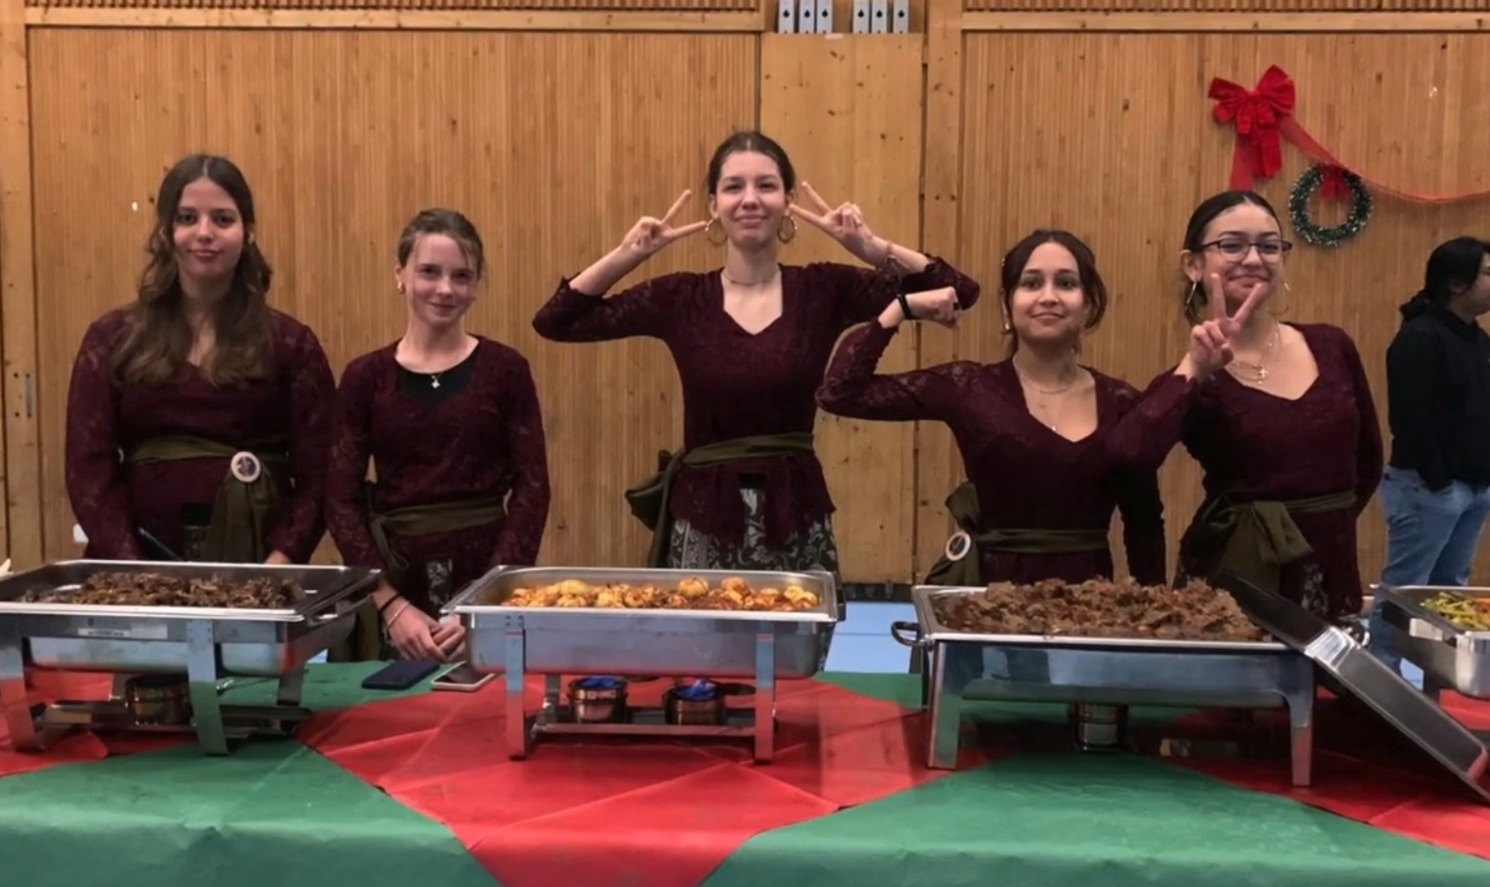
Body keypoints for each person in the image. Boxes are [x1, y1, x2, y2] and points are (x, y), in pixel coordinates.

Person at [532, 130, 979, 574]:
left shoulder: (822, 289)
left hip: (795, 512)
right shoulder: (681, 297)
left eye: (766, 185)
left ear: (787, 201)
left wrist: (870, 247)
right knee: (700, 623)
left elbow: (959, 291)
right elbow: (555, 321)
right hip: (703, 514)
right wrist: (627, 254)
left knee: (802, 624)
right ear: (714, 205)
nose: (750, 199)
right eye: (733, 187)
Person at [817, 229, 1166, 588]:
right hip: (989, 602)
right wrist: (900, 309)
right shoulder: (969, 387)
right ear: (1006, 305)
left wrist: (1151, 611)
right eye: (1031, 283)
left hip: (1088, 606)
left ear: (1088, 304)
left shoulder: (1122, 403)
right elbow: (840, 393)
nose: (1048, 297)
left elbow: (1144, 524)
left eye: (1066, 283)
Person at [1108, 190, 1383, 623]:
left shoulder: (1331, 346)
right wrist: (1195, 369)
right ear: (1193, 264)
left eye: (1269, 246)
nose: (1254, 259)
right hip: (1233, 580)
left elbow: (1368, 460)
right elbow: (1127, 457)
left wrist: (1323, 526)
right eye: (1232, 245)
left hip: (1331, 570)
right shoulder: (1191, 379)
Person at [65, 153, 334, 565]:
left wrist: (280, 564)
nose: (204, 233)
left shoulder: (292, 344)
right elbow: (88, 470)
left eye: (223, 219)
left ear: (248, 232)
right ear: (166, 231)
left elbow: (322, 474)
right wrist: (133, 569)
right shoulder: (112, 338)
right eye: (187, 218)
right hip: (134, 571)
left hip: (262, 571)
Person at [326, 209, 551, 662]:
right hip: (394, 583)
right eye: (429, 272)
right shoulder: (365, 377)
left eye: (461, 276)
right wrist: (389, 604)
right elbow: (340, 499)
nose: (445, 289)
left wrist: (486, 604)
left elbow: (533, 489)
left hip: (485, 578)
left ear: (476, 285)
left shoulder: (505, 370)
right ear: (400, 274)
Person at [1370, 236, 1490, 670]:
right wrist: (1440, 483)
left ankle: (1433, 674)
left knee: (1449, 589)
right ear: (1457, 283)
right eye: (1488, 273)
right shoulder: (1420, 338)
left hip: (1474, 487)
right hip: (1430, 488)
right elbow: (1411, 419)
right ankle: (1381, 671)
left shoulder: (1477, 340)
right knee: (1407, 588)